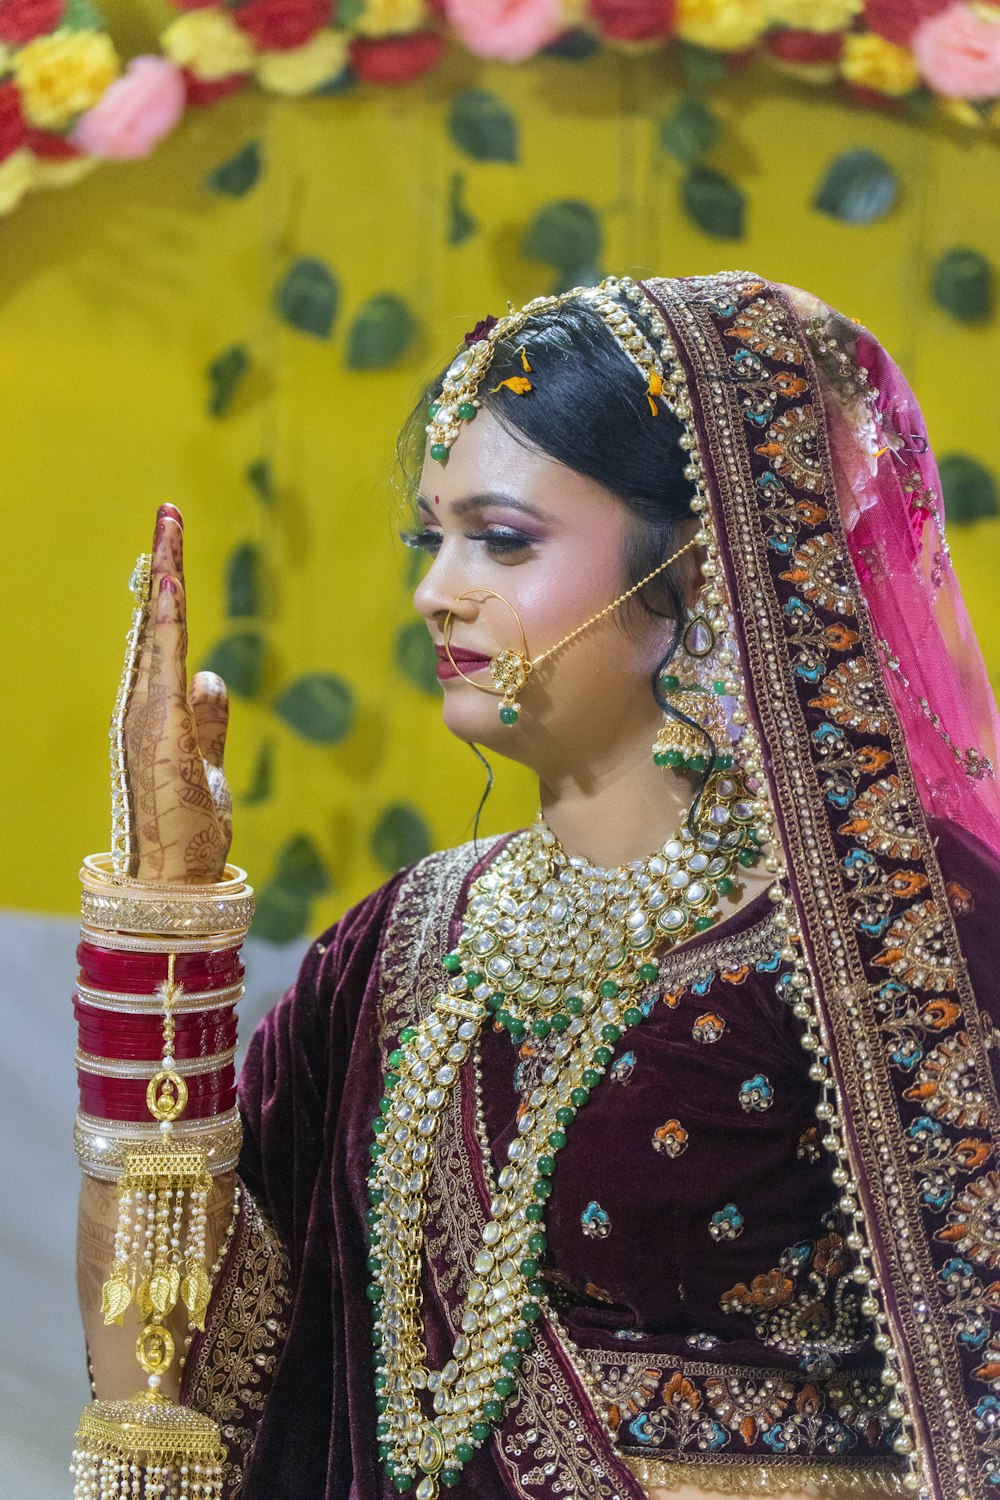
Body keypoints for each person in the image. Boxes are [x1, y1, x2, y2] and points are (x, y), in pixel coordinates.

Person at [74, 273, 1000, 1500]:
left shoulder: (902, 925)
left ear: (700, 568)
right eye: (432, 536)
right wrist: (160, 918)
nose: (436, 591)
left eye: (502, 539)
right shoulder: (396, 948)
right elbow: (179, 1380)